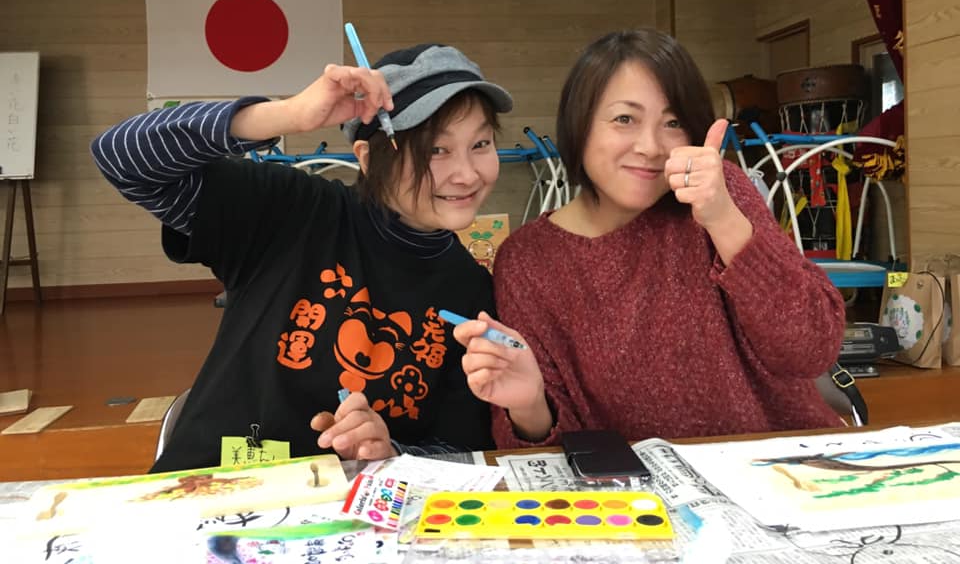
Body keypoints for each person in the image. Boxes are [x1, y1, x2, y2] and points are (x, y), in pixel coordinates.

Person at [91, 43, 513, 472]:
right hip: (214, 486)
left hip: (353, 507)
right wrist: (288, 115)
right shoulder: (292, 211)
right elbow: (121, 156)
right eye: (436, 150)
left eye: (480, 143)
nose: (467, 174)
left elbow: (459, 447)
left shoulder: (470, 290)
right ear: (368, 158)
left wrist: (390, 452)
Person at [453, 29, 846, 448]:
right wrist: (529, 405)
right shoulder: (529, 260)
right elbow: (547, 457)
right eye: (625, 119)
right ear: (579, 123)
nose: (651, 146)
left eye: (673, 123)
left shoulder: (721, 194)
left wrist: (723, 220)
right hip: (641, 488)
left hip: (784, 470)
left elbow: (812, 349)